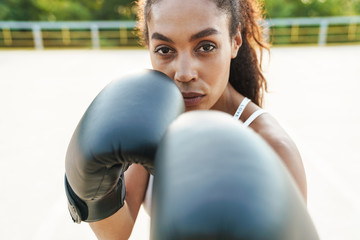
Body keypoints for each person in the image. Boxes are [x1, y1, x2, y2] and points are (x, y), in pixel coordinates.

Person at [66, 0, 308, 239]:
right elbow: (116, 233)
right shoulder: (152, 122)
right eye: (165, 50)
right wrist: (95, 193)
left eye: (205, 47)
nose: (184, 73)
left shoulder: (272, 148)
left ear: (235, 42)